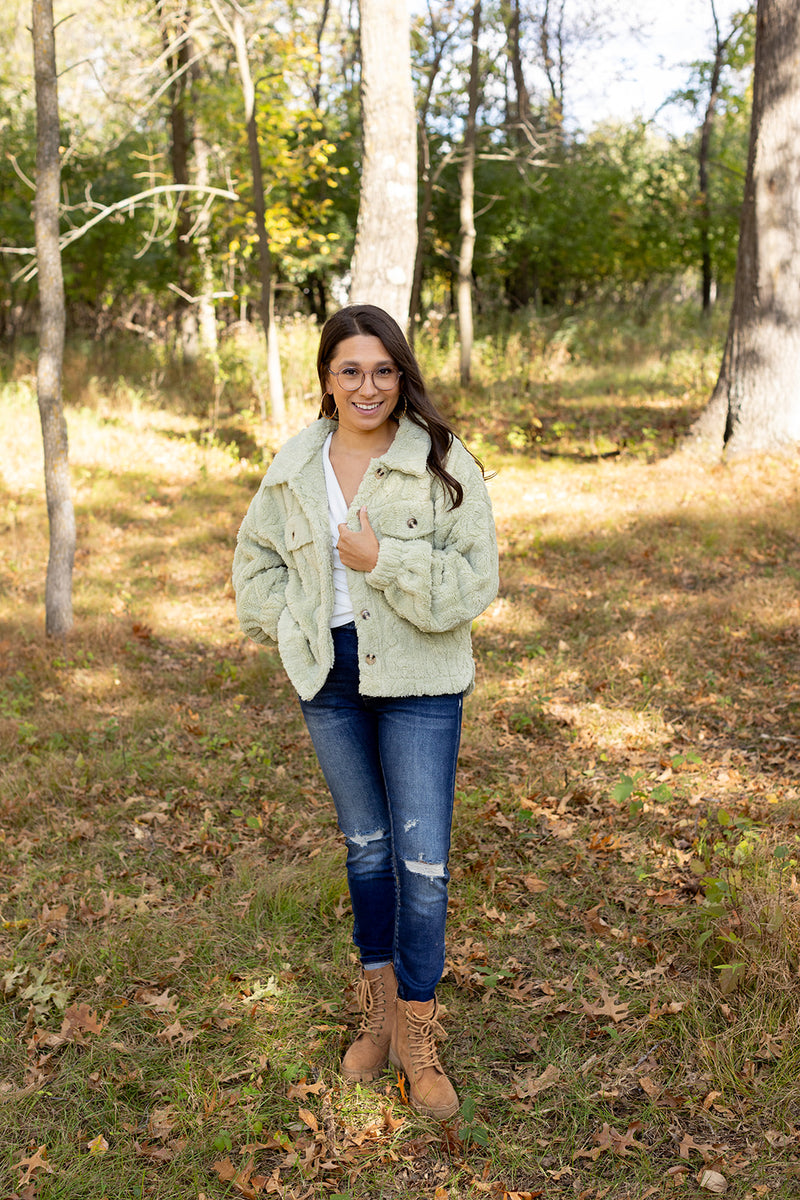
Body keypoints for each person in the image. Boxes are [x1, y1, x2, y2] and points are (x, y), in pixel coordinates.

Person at [232, 304, 498, 1119]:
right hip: (333, 681)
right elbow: (255, 566)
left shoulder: (442, 462)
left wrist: (384, 559)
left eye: (383, 369)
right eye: (351, 369)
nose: (368, 385)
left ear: (402, 375)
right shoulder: (293, 468)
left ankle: (418, 1034)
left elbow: (474, 584)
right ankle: (378, 1015)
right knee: (367, 851)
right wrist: (296, 631)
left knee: (423, 868)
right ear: (326, 379)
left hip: (421, 681)